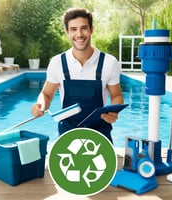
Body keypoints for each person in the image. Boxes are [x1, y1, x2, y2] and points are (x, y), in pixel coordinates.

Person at [31, 7, 124, 143]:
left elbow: (116, 96)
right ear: (67, 32)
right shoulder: (57, 63)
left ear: (91, 29)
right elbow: (46, 94)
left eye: (84, 28)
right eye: (73, 29)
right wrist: (41, 105)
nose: (79, 34)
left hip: (100, 136)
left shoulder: (109, 63)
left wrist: (114, 111)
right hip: (68, 136)